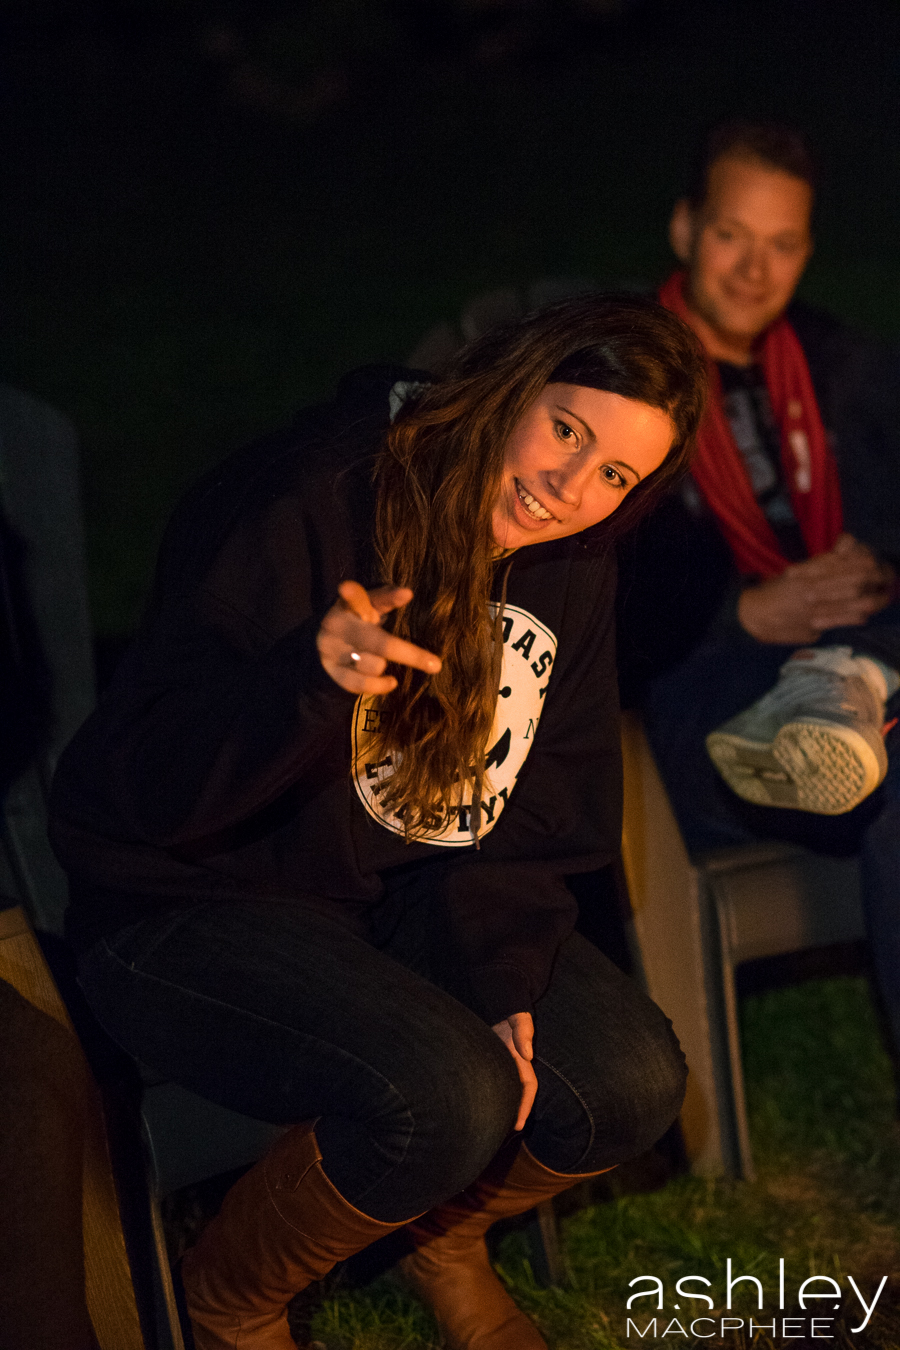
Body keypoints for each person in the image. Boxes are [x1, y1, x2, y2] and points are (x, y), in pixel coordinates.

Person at [49, 295, 705, 1350]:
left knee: (630, 1084)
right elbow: (138, 778)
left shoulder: (576, 560)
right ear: (509, 384)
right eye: (568, 430)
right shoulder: (307, 495)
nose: (568, 489)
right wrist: (306, 679)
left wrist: (494, 976)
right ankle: (227, 1296)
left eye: (617, 476)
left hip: (390, 889)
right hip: (188, 896)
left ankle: (432, 1236)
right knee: (448, 1093)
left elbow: (540, 803)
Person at [617, 122, 900, 1058]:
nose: (754, 270)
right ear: (686, 228)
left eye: (782, 245)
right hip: (714, 711)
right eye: (734, 235)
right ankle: (838, 688)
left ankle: (845, 678)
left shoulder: (838, 367)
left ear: (806, 252)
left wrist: (873, 567)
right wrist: (739, 613)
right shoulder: (621, 383)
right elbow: (586, 601)